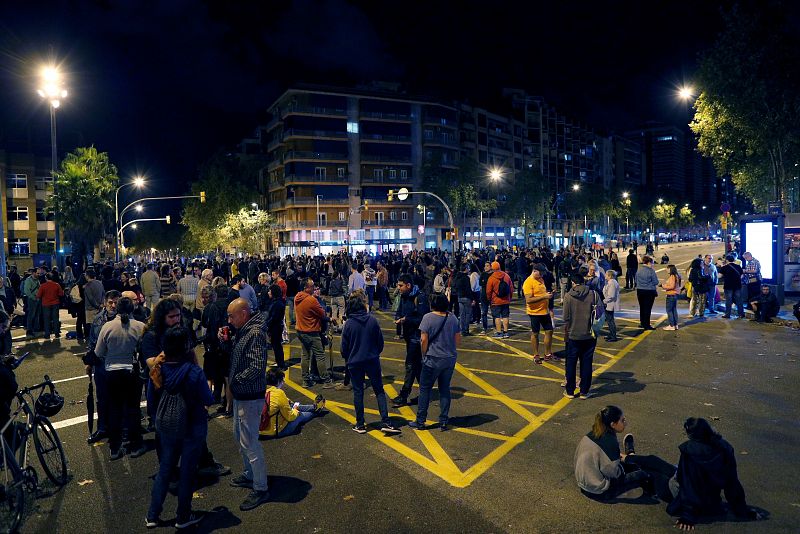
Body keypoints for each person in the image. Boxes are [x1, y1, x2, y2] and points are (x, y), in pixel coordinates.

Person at [145, 326, 213, 530]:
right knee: (187, 472)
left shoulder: (158, 370)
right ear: (186, 348)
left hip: (167, 427)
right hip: (193, 427)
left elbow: (151, 401)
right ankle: (183, 516)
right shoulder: (193, 372)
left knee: (165, 469)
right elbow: (208, 399)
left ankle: (152, 515)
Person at [667, 418, 763, 530]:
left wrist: (688, 515)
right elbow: (732, 482)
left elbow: (688, 485)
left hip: (689, 498)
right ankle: (643, 463)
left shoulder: (689, 450)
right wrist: (742, 510)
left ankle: (645, 475)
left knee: (661, 477)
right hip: (712, 502)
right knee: (667, 468)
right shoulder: (725, 448)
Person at [223, 298, 271, 511]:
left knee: (250, 443)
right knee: (239, 437)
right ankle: (249, 474)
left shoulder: (254, 333)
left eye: (231, 316)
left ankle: (260, 487)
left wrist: (236, 381)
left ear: (243, 314)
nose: (229, 320)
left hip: (250, 396)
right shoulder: (245, 330)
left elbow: (257, 366)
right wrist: (226, 341)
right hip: (242, 395)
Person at [575, 406, 677, 502]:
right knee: (645, 473)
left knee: (629, 464)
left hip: (584, 483)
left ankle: (631, 456)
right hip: (598, 491)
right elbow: (615, 474)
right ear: (613, 424)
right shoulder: (610, 442)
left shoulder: (592, 434)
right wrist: (627, 466)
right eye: (622, 420)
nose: (625, 423)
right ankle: (642, 490)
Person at [93, 296, 146, 460]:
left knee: (114, 409)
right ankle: (136, 444)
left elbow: (98, 353)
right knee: (133, 409)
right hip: (132, 371)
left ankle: (115, 447)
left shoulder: (107, 326)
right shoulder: (140, 327)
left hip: (112, 372)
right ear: (132, 309)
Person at [340, 293, 401, 435]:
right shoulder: (372, 320)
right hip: (371, 360)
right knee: (379, 390)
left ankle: (360, 424)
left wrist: (349, 358)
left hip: (354, 362)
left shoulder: (348, 324)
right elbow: (380, 343)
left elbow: (344, 348)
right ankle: (386, 421)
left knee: (358, 392)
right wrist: (374, 353)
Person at [408, 294, 460, 431]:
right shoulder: (453, 318)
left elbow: (423, 340)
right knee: (444, 389)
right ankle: (443, 420)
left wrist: (424, 354)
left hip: (432, 359)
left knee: (425, 390)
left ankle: (420, 421)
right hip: (449, 359)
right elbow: (458, 340)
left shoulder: (428, 318)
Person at [393, 273, 429, 408]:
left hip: (417, 337)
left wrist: (406, 319)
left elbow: (423, 319)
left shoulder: (420, 298)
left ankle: (403, 395)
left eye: (401, 285)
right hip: (409, 336)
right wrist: (399, 317)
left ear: (408, 285)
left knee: (410, 365)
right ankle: (424, 393)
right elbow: (400, 311)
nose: (399, 288)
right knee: (417, 367)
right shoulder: (403, 296)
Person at [258, 368, 325, 438]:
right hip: (276, 431)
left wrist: (289, 403)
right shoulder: (279, 393)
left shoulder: (261, 390)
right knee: (300, 415)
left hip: (258, 430)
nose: (283, 382)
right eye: (282, 380)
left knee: (291, 404)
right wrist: (296, 410)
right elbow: (290, 417)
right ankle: (315, 412)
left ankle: (314, 407)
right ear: (278, 382)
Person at [562, 269, 599, 398]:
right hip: (590, 334)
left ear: (573, 283)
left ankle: (570, 391)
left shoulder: (568, 296)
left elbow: (565, 317)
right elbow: (600, 313)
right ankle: (584, 391)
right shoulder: (594, 294)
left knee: (571, 363)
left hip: (573, 334)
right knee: (587, 362)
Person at [295, 279, 333, 388]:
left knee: (305, 355)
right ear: (306, 288)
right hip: (311, 332)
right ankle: (326, 380)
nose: (313, 288)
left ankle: (306, 380)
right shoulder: (311, 300)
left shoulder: (297, 297)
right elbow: (322, 313)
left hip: (300, 331)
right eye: (311, 287)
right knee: (320, 356)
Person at [523, 264, 555, 363]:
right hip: (534, 313)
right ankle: (536, 354)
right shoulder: (528, 282)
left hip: (544, 311)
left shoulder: (540, 279)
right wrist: (544, 297)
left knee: (549, 331)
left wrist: (548, 294)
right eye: (540, 273)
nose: (542, 276)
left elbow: (542, 293)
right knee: (535, 333)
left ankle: (547, 354)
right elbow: (529, 300)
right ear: (535, 271)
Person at [486, 261, 514, 339]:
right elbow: (511, 288)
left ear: (492, 268)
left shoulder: (491, 278)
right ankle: (506, 332)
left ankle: (499, 333)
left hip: (495, 301)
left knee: (497, 316)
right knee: (505, 316)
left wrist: (489, 299)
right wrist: (510, 298)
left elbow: (488, 291)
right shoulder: (506, 276)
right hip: (506, 300)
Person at [264, 284, 286, 370]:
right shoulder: (276, 301)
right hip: (275, 327)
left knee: (277, 346)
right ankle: (279, 362)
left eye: (270, 291)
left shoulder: (277, 303)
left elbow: (274, 318)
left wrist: (266, 324)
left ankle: (281, 365)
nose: (268, 292)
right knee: (276, 346)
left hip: (275, 328)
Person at [37, 273, 64, 339]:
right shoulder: (56, 285)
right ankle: (57, 333)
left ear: (46, 278)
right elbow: (61, 294)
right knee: (55, 319)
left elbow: (38, 295)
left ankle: (47, 334)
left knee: (46, 319)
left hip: (46, 304)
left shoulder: (43, 286)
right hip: (55, 303)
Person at [634, 256, 659, 330]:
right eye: (652, 263)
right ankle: (647, 324)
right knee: (648, 308)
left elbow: (635, 280)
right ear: (648, 263)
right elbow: (655, 282)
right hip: (649, 291)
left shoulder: (639, 270)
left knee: (642, 307)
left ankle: (642, 323)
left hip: (640, 291)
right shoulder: (651, 271)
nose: (652, 265)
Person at [719, 255, 744, 319]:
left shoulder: (724, 267)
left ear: (727, 260)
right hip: (737, 285)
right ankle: (741, 314)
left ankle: (727, 314)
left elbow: (719, 276)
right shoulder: (738, 266)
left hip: (728, 286)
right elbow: (742, 275)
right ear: (734, 260)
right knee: (739, 300)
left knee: (728, 301)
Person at [453, 263, 473, 336]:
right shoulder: (466, 278)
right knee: (468, 315)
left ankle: (462, 330)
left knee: (462, 315)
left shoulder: (457, 277)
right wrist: (472, 299)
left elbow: (454, 286)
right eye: (468, 268)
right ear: (465, 269)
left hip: (459, 297)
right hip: (466, 298)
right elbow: (468, 290)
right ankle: (466, 330)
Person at [661, 265, 682, 331]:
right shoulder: (677, 275)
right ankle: (675, 325)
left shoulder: (672, 276)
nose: (666, 270)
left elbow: (672, 286)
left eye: (667, 269)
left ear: (671, 269)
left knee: (669, 310)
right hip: (675, 295)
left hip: (671, 295)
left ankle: (671, 325)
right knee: (674, 310)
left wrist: (663, 286)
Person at [602, 270, 620, 342]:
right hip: (609, 304)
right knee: (609, 320)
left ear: (610, 276)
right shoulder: (611, 282)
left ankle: (613, 336)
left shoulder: (612, 283)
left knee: (610, 320)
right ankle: (611, 334)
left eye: (606, 275)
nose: (605, 276)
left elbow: (611, 295)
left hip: (610, 304)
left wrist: (604, 301)